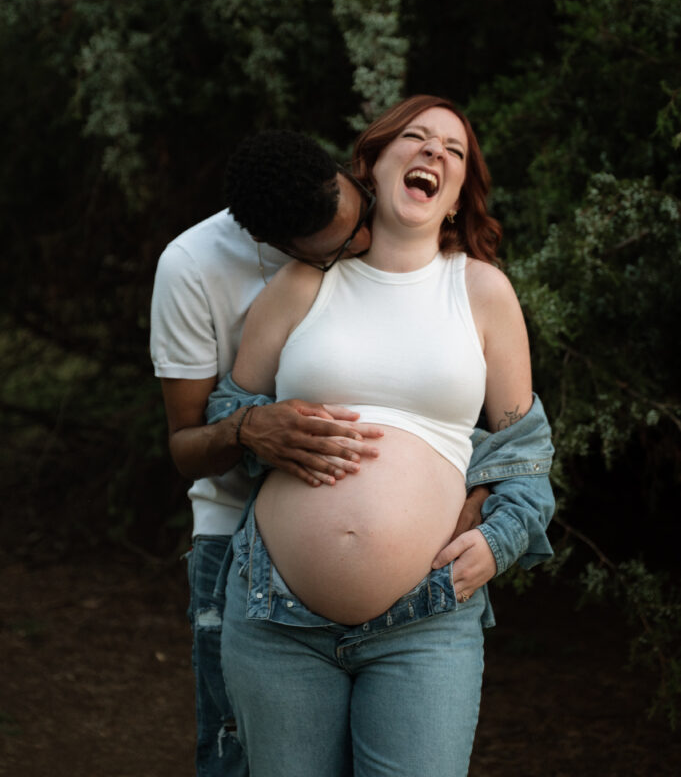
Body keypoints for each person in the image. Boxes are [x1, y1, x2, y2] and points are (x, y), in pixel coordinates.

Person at [217, 95, 553, 777]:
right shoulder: (299, 284)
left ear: (456, 198)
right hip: (276, 618)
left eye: (453, 152)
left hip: (425, 621)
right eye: (416, 138)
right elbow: (228, 415)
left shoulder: (481, 292)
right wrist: (254, 430)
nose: (434, 153)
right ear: (369, 164)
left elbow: (525, 453)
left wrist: (497, 541)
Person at [150, 129, 497, 776]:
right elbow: (186, 443)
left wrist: (477, 494)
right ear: (280, 249)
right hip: (243, 549)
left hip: (417, 607)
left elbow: (448, 403)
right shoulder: (196, 269)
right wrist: (249, 430)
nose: (362, 238)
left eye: (358, 212)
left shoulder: (439, 269)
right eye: (343, 242)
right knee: (232, 761)